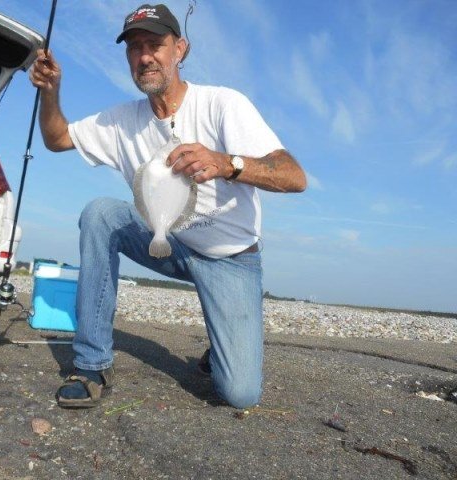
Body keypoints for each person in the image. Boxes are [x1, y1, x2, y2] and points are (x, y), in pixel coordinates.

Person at [30, 3, 306, 409]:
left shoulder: (223, 104)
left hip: (229, 258)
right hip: (166, 242)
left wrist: (228, 163)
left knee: (240, 394)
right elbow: (56, 139)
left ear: (180, 49)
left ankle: (224, 344)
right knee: (100, 213)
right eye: (134, 47)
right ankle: (90, 364)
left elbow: (293, 176)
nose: (144, 56)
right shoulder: (120, 120)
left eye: (155, 44)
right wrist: (50, 93)